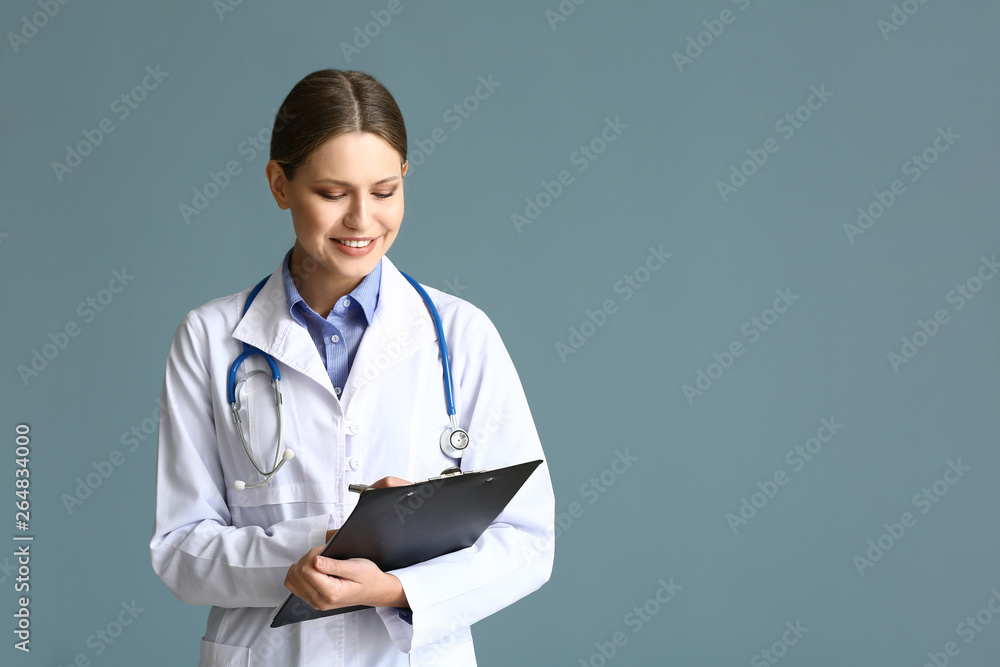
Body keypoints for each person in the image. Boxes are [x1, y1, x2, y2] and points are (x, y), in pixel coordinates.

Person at [149, 69, 554, 666]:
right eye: (333, 193)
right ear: (279, 185)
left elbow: (526, 541)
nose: (362, 220)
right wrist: (305, 558)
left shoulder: (462, 336)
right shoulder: (209, 339)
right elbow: (180, 552)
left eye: (385, 191)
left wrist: (397, 587)